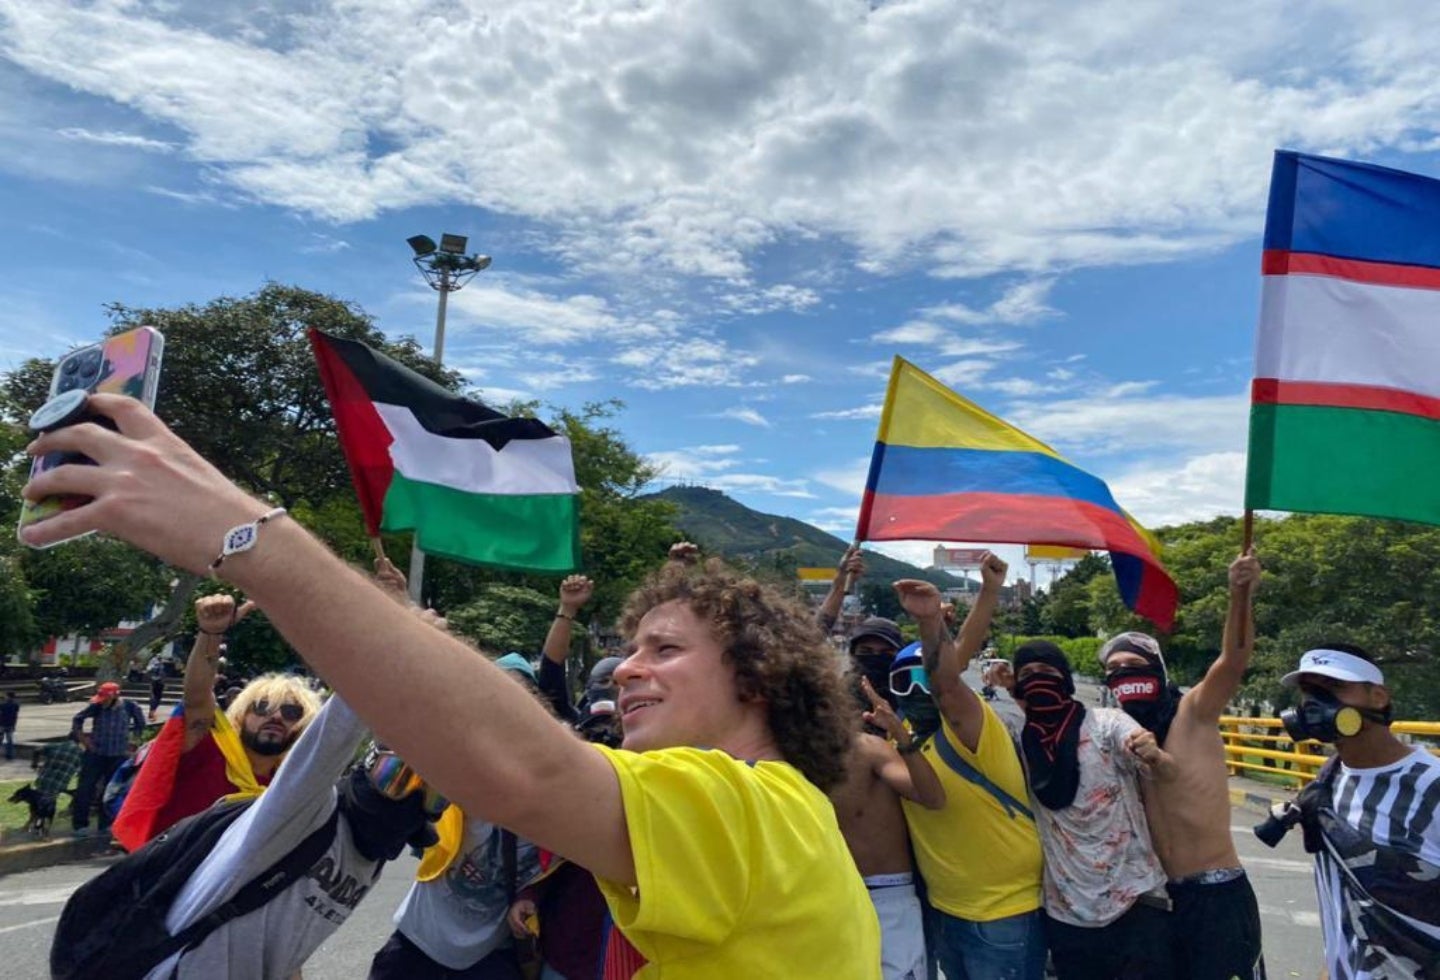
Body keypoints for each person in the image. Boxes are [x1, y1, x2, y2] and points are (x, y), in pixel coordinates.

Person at [20, 392, 882, 977]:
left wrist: (243, 532)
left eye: (664, 649)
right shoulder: (771, 816)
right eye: (630, 648)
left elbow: (519, 766)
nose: (627, 668)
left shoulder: (746, 803)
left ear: (760, 678)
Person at [1098, 553, 1266, 980]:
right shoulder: (1121, 735)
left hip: (1217, 894)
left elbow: (1234, 659)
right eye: (1113, 670)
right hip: (1157, 900)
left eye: (1133, 665)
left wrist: (1240, 592)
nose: (1123, 674)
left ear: (1157, 669)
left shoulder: (1194, 713)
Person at [895, 558, 1047, 980]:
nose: (916, 692)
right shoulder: (901, 737)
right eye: (903, 683)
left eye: (921, 680)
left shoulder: (972, 727)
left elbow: (946, 678)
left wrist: (932, 621)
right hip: (947, 911)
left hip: (1003, 915)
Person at [990, 640, 1178, 980]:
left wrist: (1156, 755)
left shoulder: (1107, 723)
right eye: (1028, 675)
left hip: (1136, 901)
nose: (1038, 680)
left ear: (1065, 679)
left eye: (1048, 672)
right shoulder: (1020, 740)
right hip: (1067, 913)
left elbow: (1166, 772)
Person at [368, 655, 545, 980]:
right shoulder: (448, 772)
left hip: (492, 958)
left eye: (515, 700)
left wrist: (530, 896)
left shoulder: (556, 791)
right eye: (490, 696)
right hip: (417, 946)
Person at [1277, 643, 1440, 978]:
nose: (1314, 704)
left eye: (1334, 688)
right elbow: (1344, 905)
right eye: (1309, 692)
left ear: (1378, 697)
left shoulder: (1430, 787)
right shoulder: (1326, 784)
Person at [113, 593, 323, 849]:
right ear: (242, 714)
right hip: (164, 880)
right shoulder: (209, 748)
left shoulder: (288, 786)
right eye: (262, 707)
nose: (276, 716)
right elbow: (197, 698)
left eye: (292, 713)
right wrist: (211, 634)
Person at [828, 674, 946, 980]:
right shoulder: (797, 755)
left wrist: (900, 736)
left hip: (883, 895)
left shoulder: (869, 749)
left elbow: (932, 797)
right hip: (837, 896)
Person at [70, 680, 146, 836]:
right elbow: (78, 719)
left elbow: (140, 724)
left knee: (111, 790)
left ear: (114, 697)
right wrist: (84, 739)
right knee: (85, 788)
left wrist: (134, 741)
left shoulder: (130, 706)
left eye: (106, 698)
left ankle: (105, 825)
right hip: (96, 753)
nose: (103, 702)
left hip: (118, 754)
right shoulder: (96, 707)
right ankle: (80, 825)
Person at [147, 655, 168, 721]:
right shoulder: (161, 666)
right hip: (159, 683)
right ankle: (153, 712)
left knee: (153, 697)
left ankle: (151, 710)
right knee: (158, 698)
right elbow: (163, 675)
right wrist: (164, 683)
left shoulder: (152, 665)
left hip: (153, 682)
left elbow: (148, 672)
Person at [0, 690, 19, 761]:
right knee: (9, 740)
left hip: (2, 724)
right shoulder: (16, 705)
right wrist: (14, 725)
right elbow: (15, 716)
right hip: (10, 724)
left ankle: (7, 754)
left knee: (1, 738)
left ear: (8, 697)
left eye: (6, 696)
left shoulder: (2, 705)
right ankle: (9, 755)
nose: (4, 697)